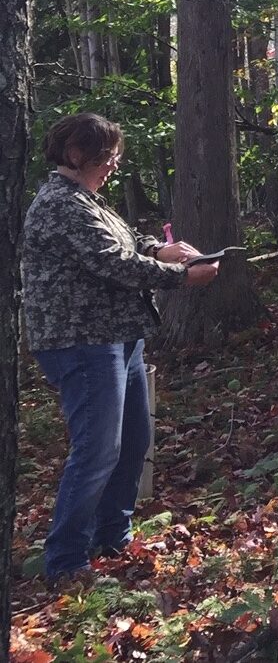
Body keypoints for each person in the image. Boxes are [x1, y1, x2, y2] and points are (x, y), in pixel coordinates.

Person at [22, 113, 220, 586]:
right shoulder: (58, 204)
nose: (113, 165)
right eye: (107, 156)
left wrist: (161, 250)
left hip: (117, 338)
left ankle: (113, 537)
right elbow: (110, 262)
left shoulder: (88, 201)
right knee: (97, 451)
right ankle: (66, 563)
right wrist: (181, 277)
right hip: (81, 342)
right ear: (76, 155)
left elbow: (126, 245)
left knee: (132, 442)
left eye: (115, 156)